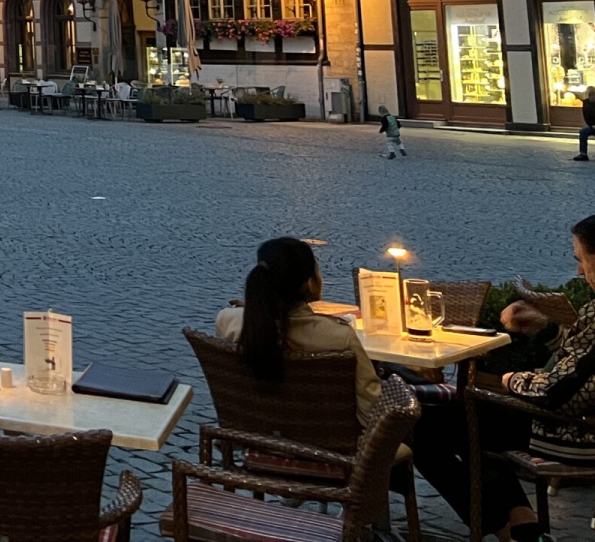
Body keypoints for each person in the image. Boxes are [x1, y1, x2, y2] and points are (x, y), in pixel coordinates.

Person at [410, 217, 595, 542]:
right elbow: (583, 364)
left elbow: (562, 392)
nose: (579, 272)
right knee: (470, 424)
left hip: (576, 433)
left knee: (424, 424)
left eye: (581, 259)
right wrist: (546, 328)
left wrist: (511, 380)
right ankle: (522, 527)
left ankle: (503, 527)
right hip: (571, 421)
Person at [215, 236, 384, 425]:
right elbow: (371, 411)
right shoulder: (339, 337)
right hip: (329, 449)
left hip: (255, 437)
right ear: (309, 283)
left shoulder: (227, 321)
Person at [576, 86, 595, 161]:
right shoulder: (586, 103)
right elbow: (586, 116)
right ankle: (583, 154)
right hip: (591, 125)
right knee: (583, 131)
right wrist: (592, 125)